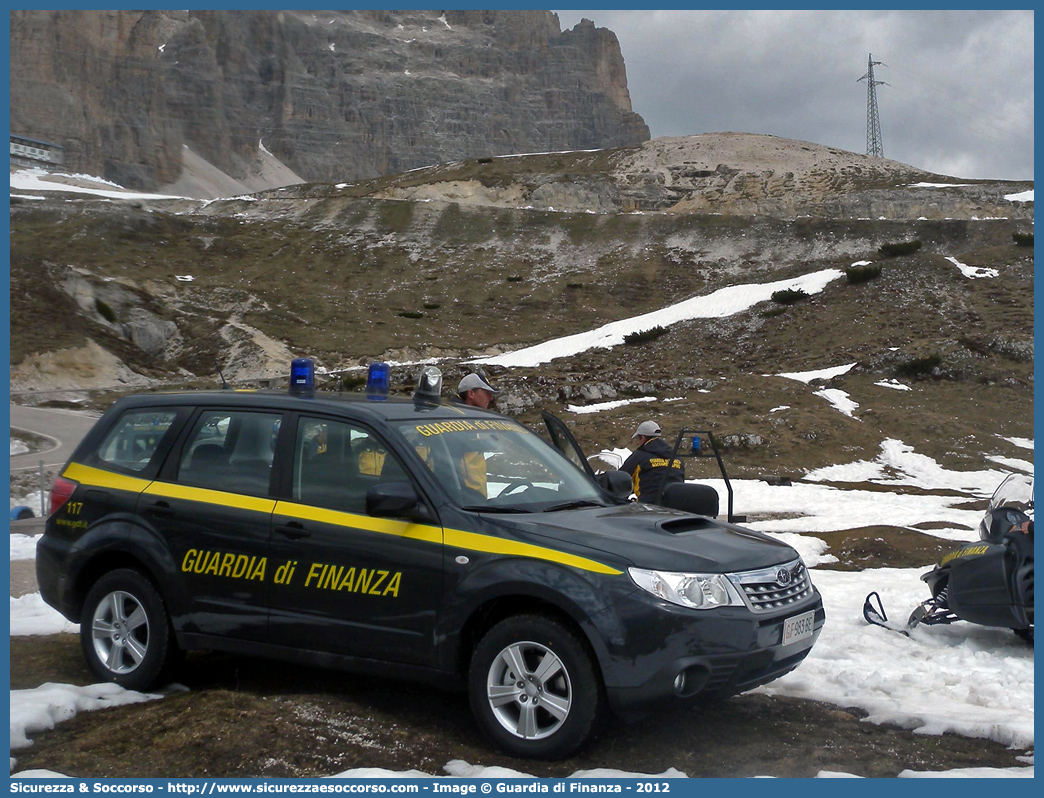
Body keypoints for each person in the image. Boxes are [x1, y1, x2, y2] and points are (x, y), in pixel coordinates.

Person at [619, 420, 684, 503]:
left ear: (643, 437)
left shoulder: (639, 456)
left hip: (648, 509)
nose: (638, 443)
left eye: (638, 439)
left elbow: (621, 481)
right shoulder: (676, 458)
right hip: (675, 508)